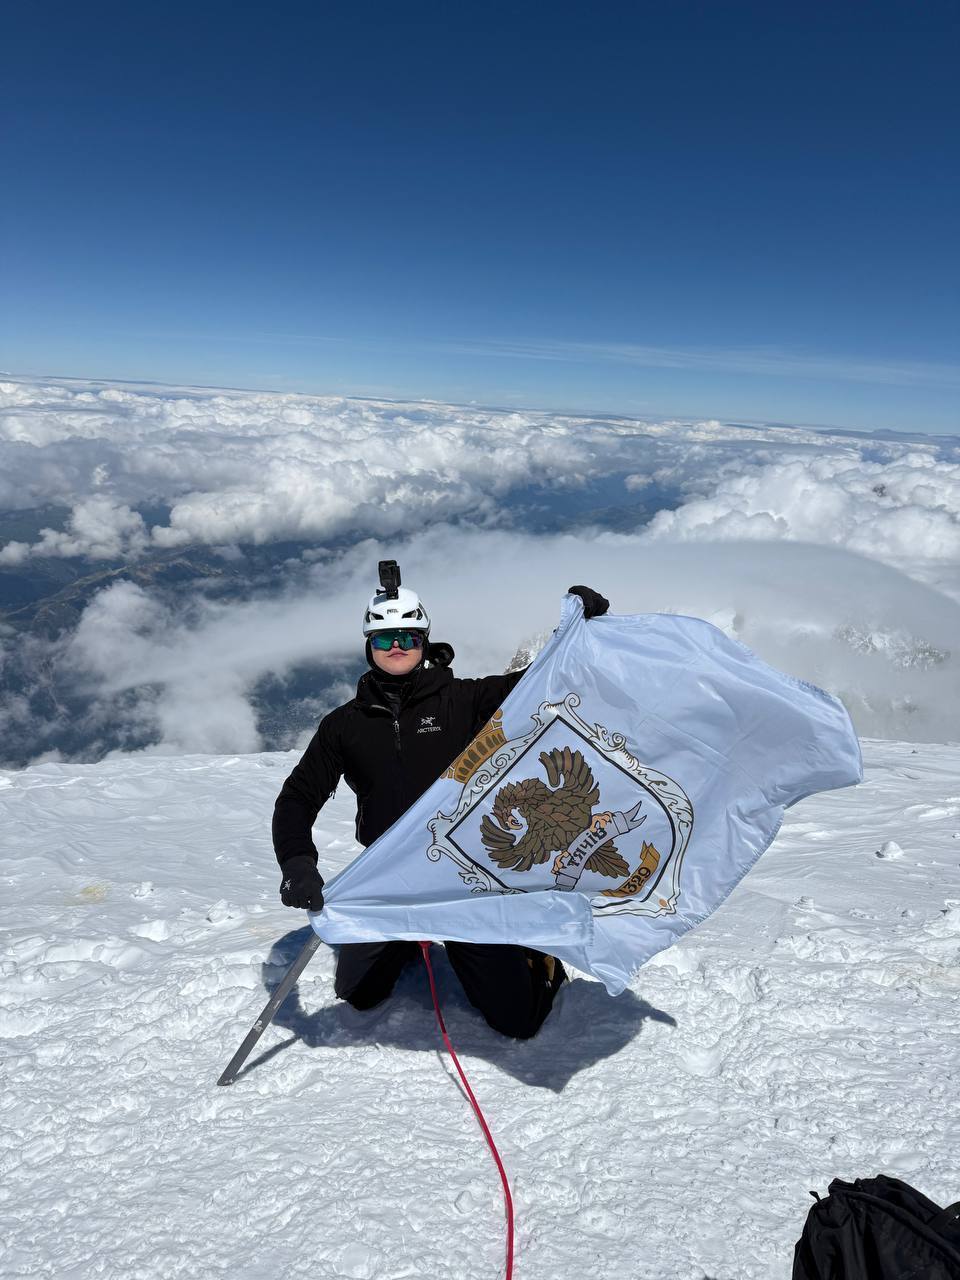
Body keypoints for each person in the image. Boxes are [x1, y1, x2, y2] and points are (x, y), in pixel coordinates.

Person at [272, 572, 610, 1039]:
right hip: (389, 877)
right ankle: (407, 940)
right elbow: (297, 798)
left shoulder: (464, 701)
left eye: (408, 636)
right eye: (385, 637)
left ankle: (535, 957)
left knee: (518, 1020)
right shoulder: (343, 726)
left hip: (461, 876)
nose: (397, 646)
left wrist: (577, 629)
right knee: (359, 994)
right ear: (369, 644)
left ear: (425, 641)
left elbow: (542, 680)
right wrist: (296, 862)